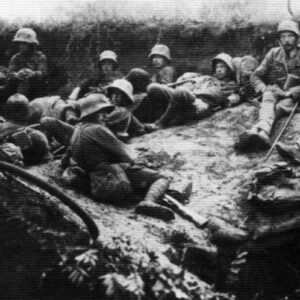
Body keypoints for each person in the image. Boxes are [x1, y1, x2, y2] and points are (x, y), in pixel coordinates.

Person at [62, 96, 175, 221]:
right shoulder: (98, 129)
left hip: (87, 179)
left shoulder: (78, 129)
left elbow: (66, 158)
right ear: (92, 113)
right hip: (106, 177)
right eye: (102, 113)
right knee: (162, 178)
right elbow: (127, 157)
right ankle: (148, 202)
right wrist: (137, 160)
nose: (106, 116)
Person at [237, 20, 300, 152]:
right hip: (276, 91)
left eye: (290, 36)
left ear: (297, 37)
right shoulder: (274, 53)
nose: (286, 40)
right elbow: (255, 76)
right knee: (268, 96)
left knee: (281, 106)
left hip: (294, 97)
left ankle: (258, 130)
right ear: (279, 39)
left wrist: (289, 93)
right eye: (283, 36)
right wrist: (264, 89)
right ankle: (263, 132)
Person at [147, 53, 240, 129]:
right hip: (185, 97)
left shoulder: (231, 84)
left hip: (199, 104)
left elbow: (225, 98)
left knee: (181, 92)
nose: (219, 70)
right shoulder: (207, 78)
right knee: (153, 87)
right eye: (217, 67)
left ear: (229, 69)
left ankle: (160, 123)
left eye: (222, 67)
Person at [0, 94, 50, 165]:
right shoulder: (35, 134)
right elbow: (44, 156)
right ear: (26, 111)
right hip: (27, 163)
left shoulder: (1, 126)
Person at [3, 28, 48, 103]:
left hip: (35, 88)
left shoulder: (40, 57)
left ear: (31, 44)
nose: (21, 46)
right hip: (16, 87)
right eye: (20, 43)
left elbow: (43, 73)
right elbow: (10, 72)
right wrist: (17, 74)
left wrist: (33, 73)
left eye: (25, 43)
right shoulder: (16, 57)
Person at [135, 44, 177, 123]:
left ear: (165, 59)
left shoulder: (167, 70)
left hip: (164, 102)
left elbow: (165, 87)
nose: (155, 60)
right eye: (154, 57)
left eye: (159, 57)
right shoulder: (158, 72)